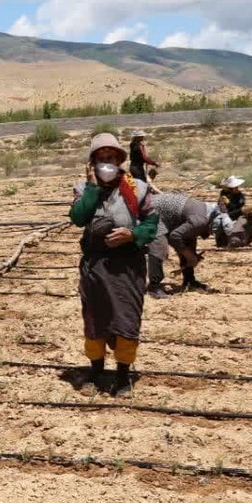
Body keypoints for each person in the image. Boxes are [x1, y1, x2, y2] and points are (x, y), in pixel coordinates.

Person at [70, 133, 159, 396]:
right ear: (92, 163)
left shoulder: (138, 188)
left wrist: (132, 234)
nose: (107, 163)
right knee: (95, 321)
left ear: (120, 160)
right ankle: (95, 371)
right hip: (95, 266)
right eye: (101, 159)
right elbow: (78, 218)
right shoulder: (82, 188)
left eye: (111, 158)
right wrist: (92, 188)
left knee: (127, 320)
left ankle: (122, 376)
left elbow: (151, 224)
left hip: (127, 265)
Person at [147, 191, 212, 297]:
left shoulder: (206, 215)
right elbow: (175, 237)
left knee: (189, 242)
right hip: (153, 212)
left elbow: (187, 237)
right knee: (159, 248)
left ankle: (189, 280)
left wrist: (190, 253)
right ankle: (154, 287)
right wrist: (190, 256)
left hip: (171, 217)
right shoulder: (200, 220)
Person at [210, 175, 252, 249]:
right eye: (235, 188)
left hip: (238, 215)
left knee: (251, 218)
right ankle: (226, 241)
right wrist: (237, 209)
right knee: (220, 222)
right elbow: (225, 212)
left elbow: (239, 206)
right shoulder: (223, 196)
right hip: (228, 216)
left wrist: (244, 211)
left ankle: (246, 239)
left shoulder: (240, 195)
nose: (237, 189)